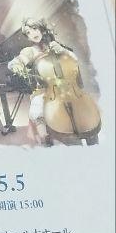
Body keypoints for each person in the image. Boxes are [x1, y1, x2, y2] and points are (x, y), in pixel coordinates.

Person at [9, 18, 75, 146]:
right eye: (28, 32)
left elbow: (73, 59)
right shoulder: (30, 51)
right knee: (38, 106)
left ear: (41, 29)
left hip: (63, 85)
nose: (32, 33)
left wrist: (62, 50)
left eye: (35, 29)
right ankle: (45, 138)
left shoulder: (54, 45)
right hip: (44, 88)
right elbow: (18, 61)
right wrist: (16, 65)